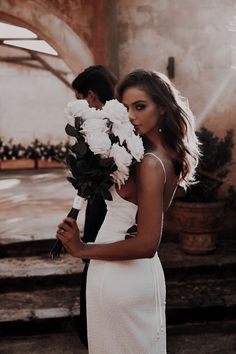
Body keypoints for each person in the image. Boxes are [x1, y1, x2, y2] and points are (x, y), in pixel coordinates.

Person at [57, 69, 200, 353]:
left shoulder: (149, 163)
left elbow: (147, 243)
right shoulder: (164, 155)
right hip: (134, 275)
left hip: (121, 277)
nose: (132, 115)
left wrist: (82, 249)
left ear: (162, 106)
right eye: (127, 107)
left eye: (140, 106)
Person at [71, 64, 117, 348]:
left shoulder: (103, 126)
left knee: (95, 257)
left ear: (90, 96)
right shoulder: (120, 122)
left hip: (105, 205)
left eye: (79, 96)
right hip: (101, 202)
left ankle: (94, 329)